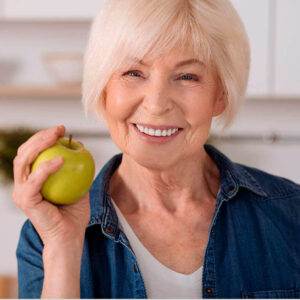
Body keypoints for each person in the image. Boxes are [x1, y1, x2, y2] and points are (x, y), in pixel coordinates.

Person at [14, 0, 300, 298]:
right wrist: (63, 247)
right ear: (104, 88)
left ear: (220, 95)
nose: (156, 102)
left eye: (187, 76)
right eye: (134, 73)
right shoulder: (46, 236)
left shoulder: (291, 215)